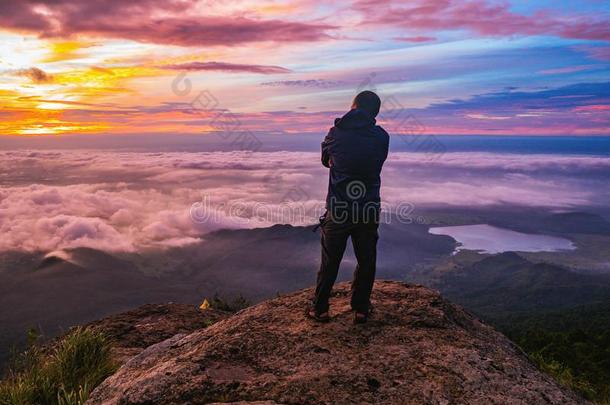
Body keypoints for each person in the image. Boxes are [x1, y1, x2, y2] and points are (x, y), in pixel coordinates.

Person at [307, 90, 389, 324]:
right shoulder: (382, 137)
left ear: (353, 107)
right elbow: (376, 160)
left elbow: (326, 160)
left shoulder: (335, 133)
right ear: (375, 112)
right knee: (366, 259)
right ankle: (361, 308)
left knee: (330, 260)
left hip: (339, 208)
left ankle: (320, 309)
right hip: (368, 209)